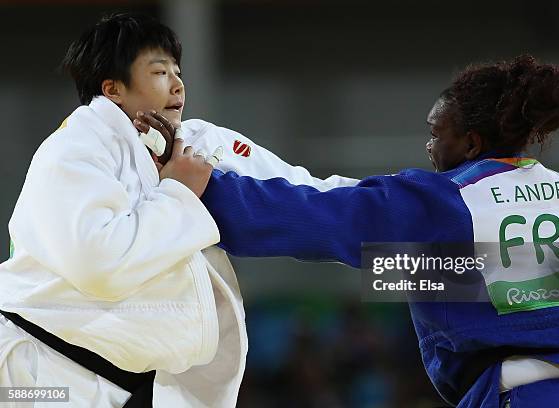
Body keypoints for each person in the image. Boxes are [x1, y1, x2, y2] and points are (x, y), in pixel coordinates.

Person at [198, 56, 559, 407]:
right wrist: (384, 266)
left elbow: (314, 218)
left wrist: (202, 189)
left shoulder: (447, 200)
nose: (428, 147)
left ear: (470, 143)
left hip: (532, 396)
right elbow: (494, 282)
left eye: (435, 134)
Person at [0, 13, 356, 407]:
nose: (177, 83)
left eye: (177, 71)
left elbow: (309, 194)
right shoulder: (74, 148)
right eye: (159, 72)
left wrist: (418, 212)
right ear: (113, 88)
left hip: (133, 384)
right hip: (36, 374)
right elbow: (99, 263)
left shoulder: (199, 144)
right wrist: (180, 192)